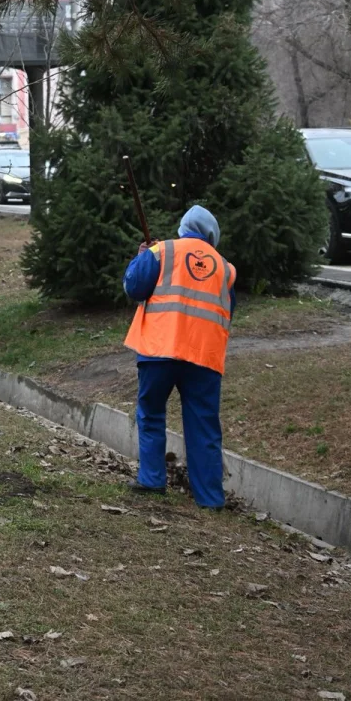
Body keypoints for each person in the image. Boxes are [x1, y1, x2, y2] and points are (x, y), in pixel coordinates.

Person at [122, 205, 236, 510]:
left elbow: (134, 287)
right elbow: (228, 310)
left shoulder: (161, 252)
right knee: (203, 426)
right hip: (203, 357)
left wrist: (140, 257)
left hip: (160, 349)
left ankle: (152, 480)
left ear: (183, 227)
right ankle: (210, 499)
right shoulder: (225, 268)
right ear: (212, 236)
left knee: (151, 412)